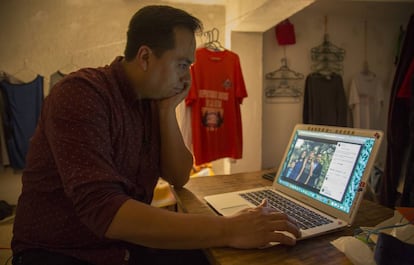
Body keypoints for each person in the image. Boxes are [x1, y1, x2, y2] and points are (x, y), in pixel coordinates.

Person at [11, 5, 300, 265]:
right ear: (146, 57)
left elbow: (178, 175)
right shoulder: (82, 94)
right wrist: (229, 229)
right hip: (60, 252)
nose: (187, 79)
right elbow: (103, 210)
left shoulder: (151, 100)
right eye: (182, 65)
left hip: (124, 246)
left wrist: (166, 112)